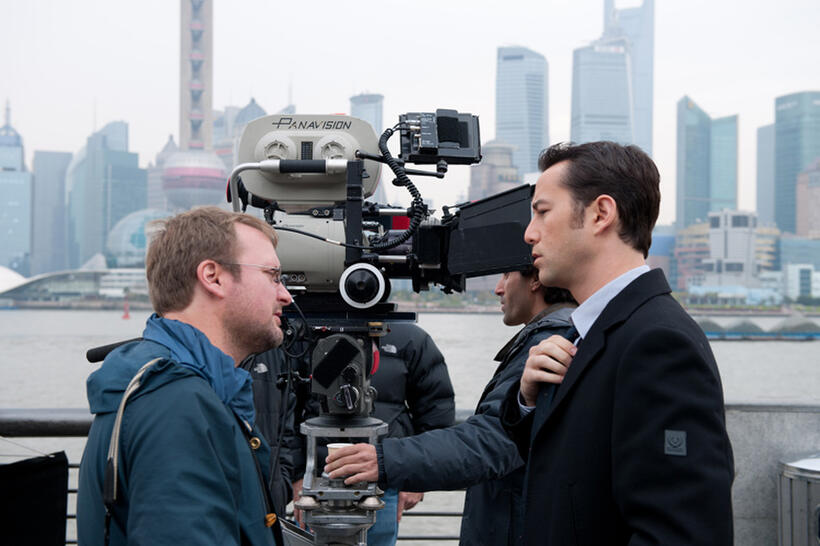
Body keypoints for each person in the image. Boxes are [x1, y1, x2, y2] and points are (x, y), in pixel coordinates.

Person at [500, 141, 735, 544]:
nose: (529, 233)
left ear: (600, 214)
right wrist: (526, 400)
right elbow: (569, 477)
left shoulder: (658, 343)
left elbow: (681, 532)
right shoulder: (589, 330)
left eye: (542, 212)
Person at [77, 207, 292, 546]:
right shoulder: (175, 403)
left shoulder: (165, 385)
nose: (286, 295)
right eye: (273, 275)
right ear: (213, 277)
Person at [323, 267, 577, 545]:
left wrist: (389, 463)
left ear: (536, 280)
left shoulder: (551, 343)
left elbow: (488, 438)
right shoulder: (548, 339)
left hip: (388, 477)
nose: (498, 288)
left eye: (506, 275)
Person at [264, 322, 455, 545]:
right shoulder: (306, 337)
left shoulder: (411, 340)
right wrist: (298, 476)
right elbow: (286, 411)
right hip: (316, 482)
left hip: (383, 482)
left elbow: (436, 413)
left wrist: (417, 479)